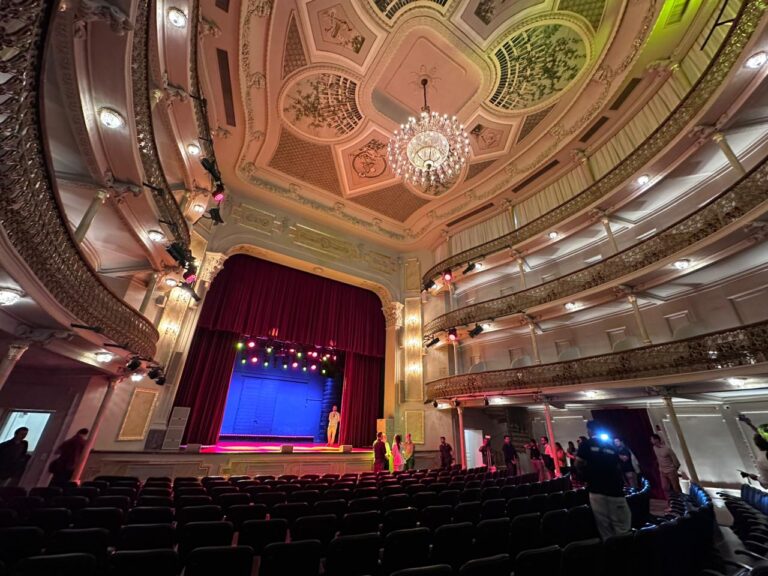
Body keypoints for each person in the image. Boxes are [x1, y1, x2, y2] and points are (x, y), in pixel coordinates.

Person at [576, 422, 631, 540]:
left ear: (589, 431)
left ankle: (611, 550)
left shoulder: (586, 444)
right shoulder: (611, 445)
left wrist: (585, 475)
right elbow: (618, 464)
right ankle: (627, 551)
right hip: (615, 489)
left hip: (597, 489)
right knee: (622, 527)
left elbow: (578, 464)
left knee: (605, 527)